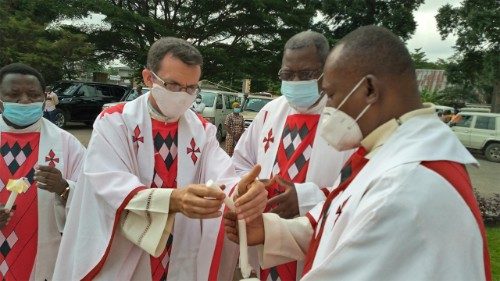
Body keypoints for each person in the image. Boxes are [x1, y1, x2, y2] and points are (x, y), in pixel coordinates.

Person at [225, 26, 490, 281]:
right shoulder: (391, 154)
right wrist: (271, 231)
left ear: (370, 90)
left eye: (330, 93)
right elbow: (339, 218)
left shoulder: (404, 185)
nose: (326, 106)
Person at [53, 37, 266, 281]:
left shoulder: (201, 129)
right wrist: (173, 200)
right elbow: (108, 182)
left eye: (191, 88)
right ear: (148, 78)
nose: (183, 96)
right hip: (127, 248)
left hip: (180, 246)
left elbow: (222, 177)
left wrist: (240, 193)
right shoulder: (115, 121)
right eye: (173, 85)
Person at [231, 30, 352, 280]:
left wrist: (305, 198)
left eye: (306, 74)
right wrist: (251, 188)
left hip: (318, 240)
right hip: (265, 232)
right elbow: (239, 164)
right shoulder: (269, 112)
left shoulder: (348, 117)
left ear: (326, 71)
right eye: (288, 75)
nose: (296, 81)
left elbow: (359, 186)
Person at [0, 63, 86, 280]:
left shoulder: (66, 143)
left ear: (44, 97)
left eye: (33, 94)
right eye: (14, 94)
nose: (25, 101)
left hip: (43, 251)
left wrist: (65, 188)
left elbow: (92, 197)